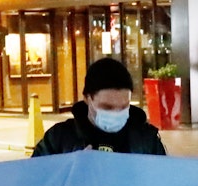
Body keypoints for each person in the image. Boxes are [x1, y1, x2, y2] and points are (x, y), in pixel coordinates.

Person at [33, 58, 167, 156]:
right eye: (107, 107)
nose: (116, 114)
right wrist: (70, 167)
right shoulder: (58, 139)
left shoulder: (147, 140)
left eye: (123, 107)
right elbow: (34, 181)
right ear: (87, 98)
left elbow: (163, 183)